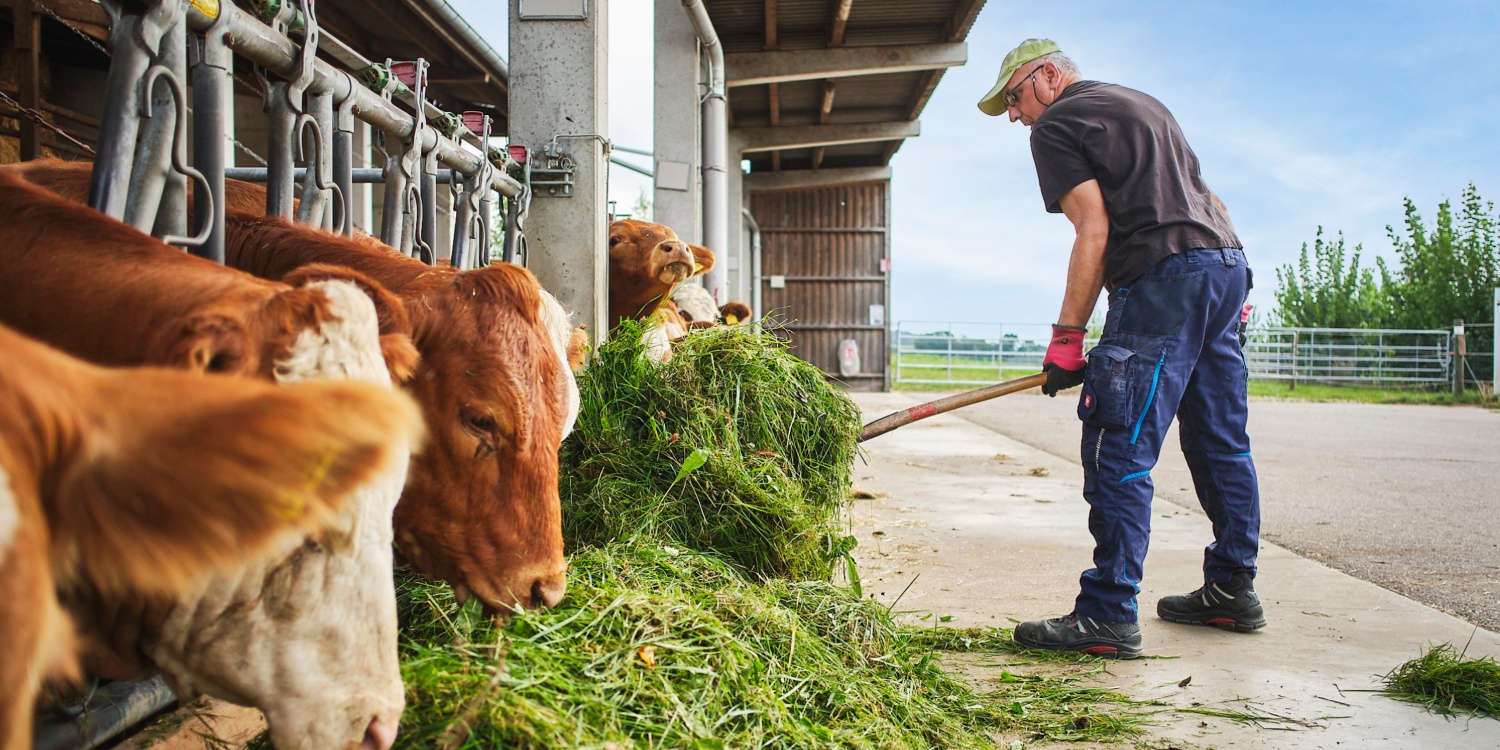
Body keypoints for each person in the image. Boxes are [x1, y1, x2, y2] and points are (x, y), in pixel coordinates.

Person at [977, 39, 1263, 659]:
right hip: (1224, 266)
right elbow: (1209, 201)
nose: (1014, 115)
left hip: (1163, 279)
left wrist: (1067, 339)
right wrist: (1229, 282)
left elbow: (1094, 228)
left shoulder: (1057, 125)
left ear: (1049, 75)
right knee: (1220, 439)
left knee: (1118, 442)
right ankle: (1232, 588)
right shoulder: (1145, 105)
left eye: (1015, 97)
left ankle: (1108, 613)